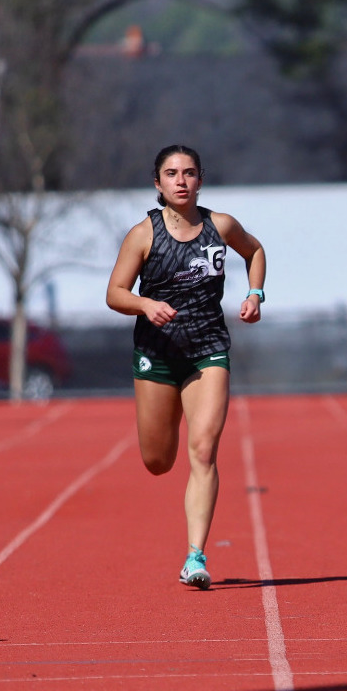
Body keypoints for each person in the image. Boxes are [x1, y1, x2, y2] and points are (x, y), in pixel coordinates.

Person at [106, 144, 266, 590]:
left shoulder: (221, 226)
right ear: (157, 183)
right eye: (172, 173)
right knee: (158, 460)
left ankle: (195, 555)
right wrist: (144, 304)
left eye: (189, 172)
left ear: (200, 180)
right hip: (157, 353)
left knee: (203, 451)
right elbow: (115, 292)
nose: (181, 180)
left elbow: (254, 252)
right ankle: (168, 414)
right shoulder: (144, 234)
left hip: (208, 349)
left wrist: (255, 294)